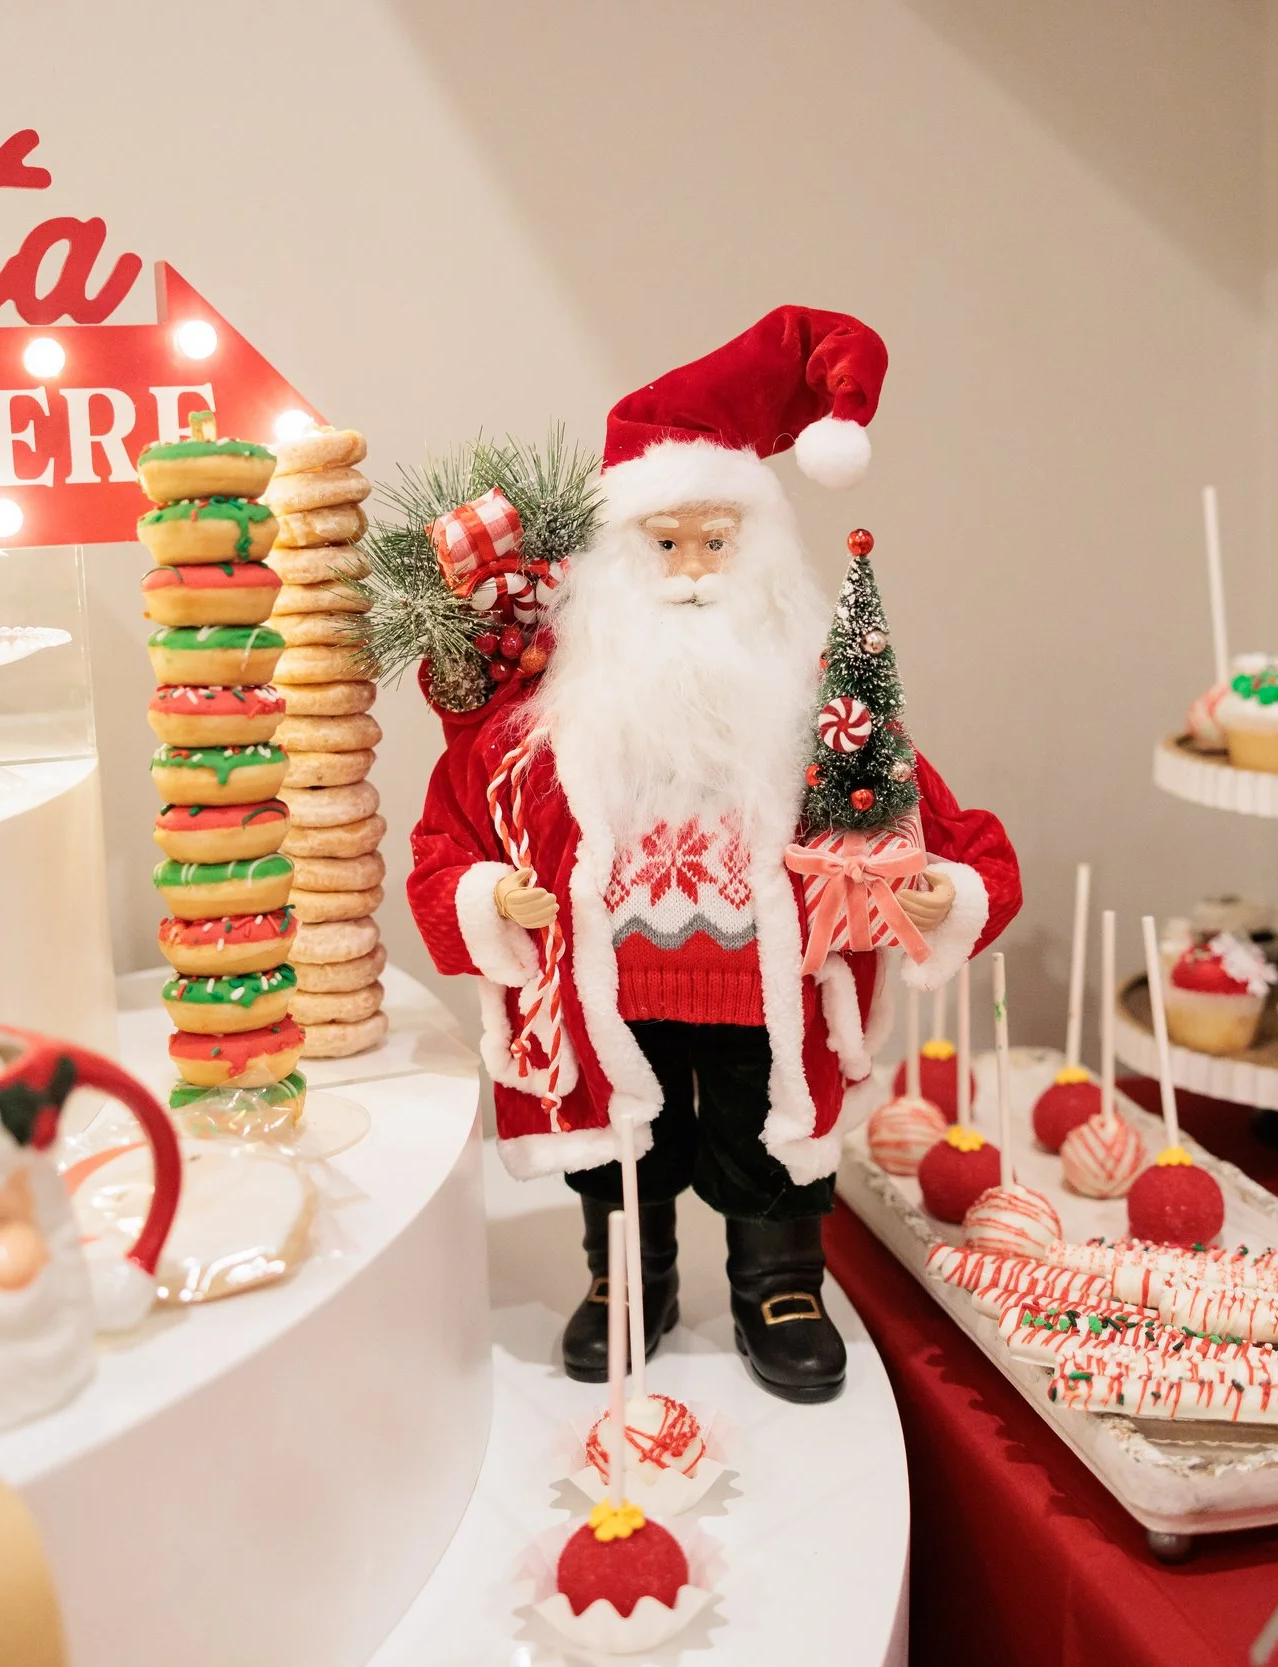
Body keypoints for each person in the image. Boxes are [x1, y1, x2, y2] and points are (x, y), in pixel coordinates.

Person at [408, 306, 1020, 1402]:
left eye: (715, 540)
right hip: (612, 990)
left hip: (764, 989)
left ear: (762, 557)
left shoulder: (821, 710)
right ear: (616, 558)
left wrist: (943, 891)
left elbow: (941, 826)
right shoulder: (540, 722)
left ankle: (777, 1279)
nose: (690, 568)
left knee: (766, 1134)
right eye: (664, 541)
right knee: (617, 1141)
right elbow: (447, 830)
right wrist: (487, 892)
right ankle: (625, 1271)